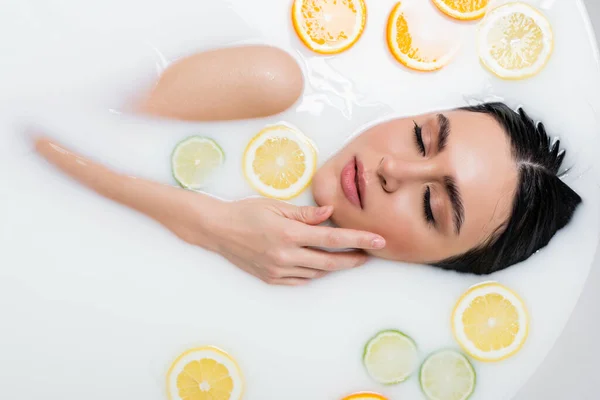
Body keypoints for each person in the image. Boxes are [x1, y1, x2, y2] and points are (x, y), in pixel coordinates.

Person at [33, 45, 582, 285]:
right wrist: (210, 223)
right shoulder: (273, 82)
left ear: (434, 265)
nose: (395, 168)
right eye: (421, 136)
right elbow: (35, 130)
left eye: (430, 205)